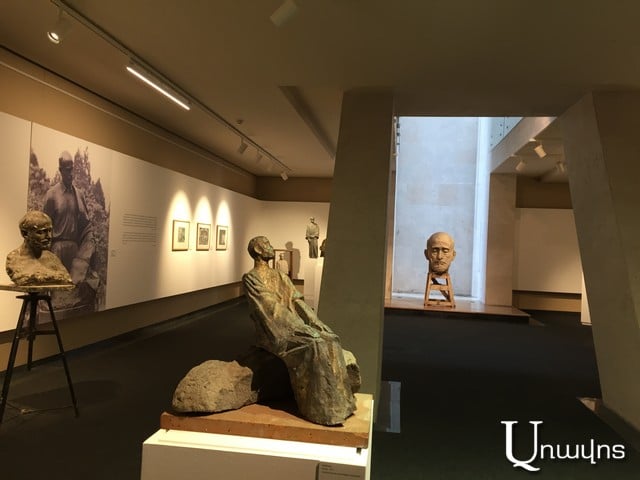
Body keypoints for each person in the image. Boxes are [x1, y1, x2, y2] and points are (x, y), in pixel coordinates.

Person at [242, 236, 356, 425]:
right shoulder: (251, 278)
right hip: (275, 331)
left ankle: (343, 403)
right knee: (315, 344)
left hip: (294, 325)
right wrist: (299, 328)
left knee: (331, 339)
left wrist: (315, 321)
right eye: (267, 244)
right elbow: (270, 309)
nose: (271, 247)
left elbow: (296, 300)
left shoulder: (279, 275)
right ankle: (319, 408)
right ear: (258, 251)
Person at [42, 151, 97, 311]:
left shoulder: (79, 194)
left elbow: (85, 224)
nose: (71, 173)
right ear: (60, 170)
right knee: (57, 299)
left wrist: (87, 248)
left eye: (72, 169)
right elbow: (44, 226)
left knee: (75, 295)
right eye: (67, 170)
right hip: (57, 250)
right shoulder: (52, 195)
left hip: (74, 250)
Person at [6, 211, 73, 286]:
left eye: (50, 231)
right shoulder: (14, 260)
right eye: (41, 232)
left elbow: (66, 278)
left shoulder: (52, 259)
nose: (49, 236)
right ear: (25, 234)